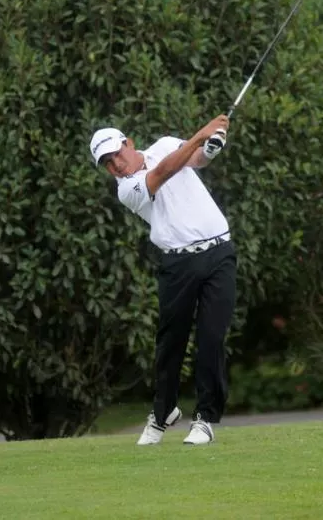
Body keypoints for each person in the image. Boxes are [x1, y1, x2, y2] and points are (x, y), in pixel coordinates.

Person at [89, 115, 237, 446]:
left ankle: (205, 418)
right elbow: (164, 172)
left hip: (219, 253)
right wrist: (201, 133)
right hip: (178, 263)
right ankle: (162, 412)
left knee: (211, 338)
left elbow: (195, 160)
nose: (116, 165)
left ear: (128, 143)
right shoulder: (127, 189)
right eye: (107, 163)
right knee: (171, 344)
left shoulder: (167, 145)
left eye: (116, 154)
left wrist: (210, 147)